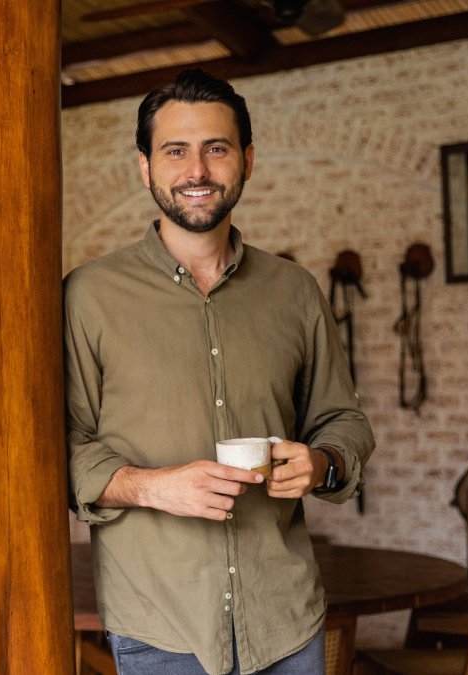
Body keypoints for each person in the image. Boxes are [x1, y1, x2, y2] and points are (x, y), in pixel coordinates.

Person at [64, 68, 375, 674]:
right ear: (144, 167)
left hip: (286, 620)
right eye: (175, 151)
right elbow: (63, 446)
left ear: (248, 160)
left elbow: (342, 419)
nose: (197, 172)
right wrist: (154, 486)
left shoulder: (295, 291)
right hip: (161, 625)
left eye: (216, 148)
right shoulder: (88, 296)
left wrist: (323, 463)